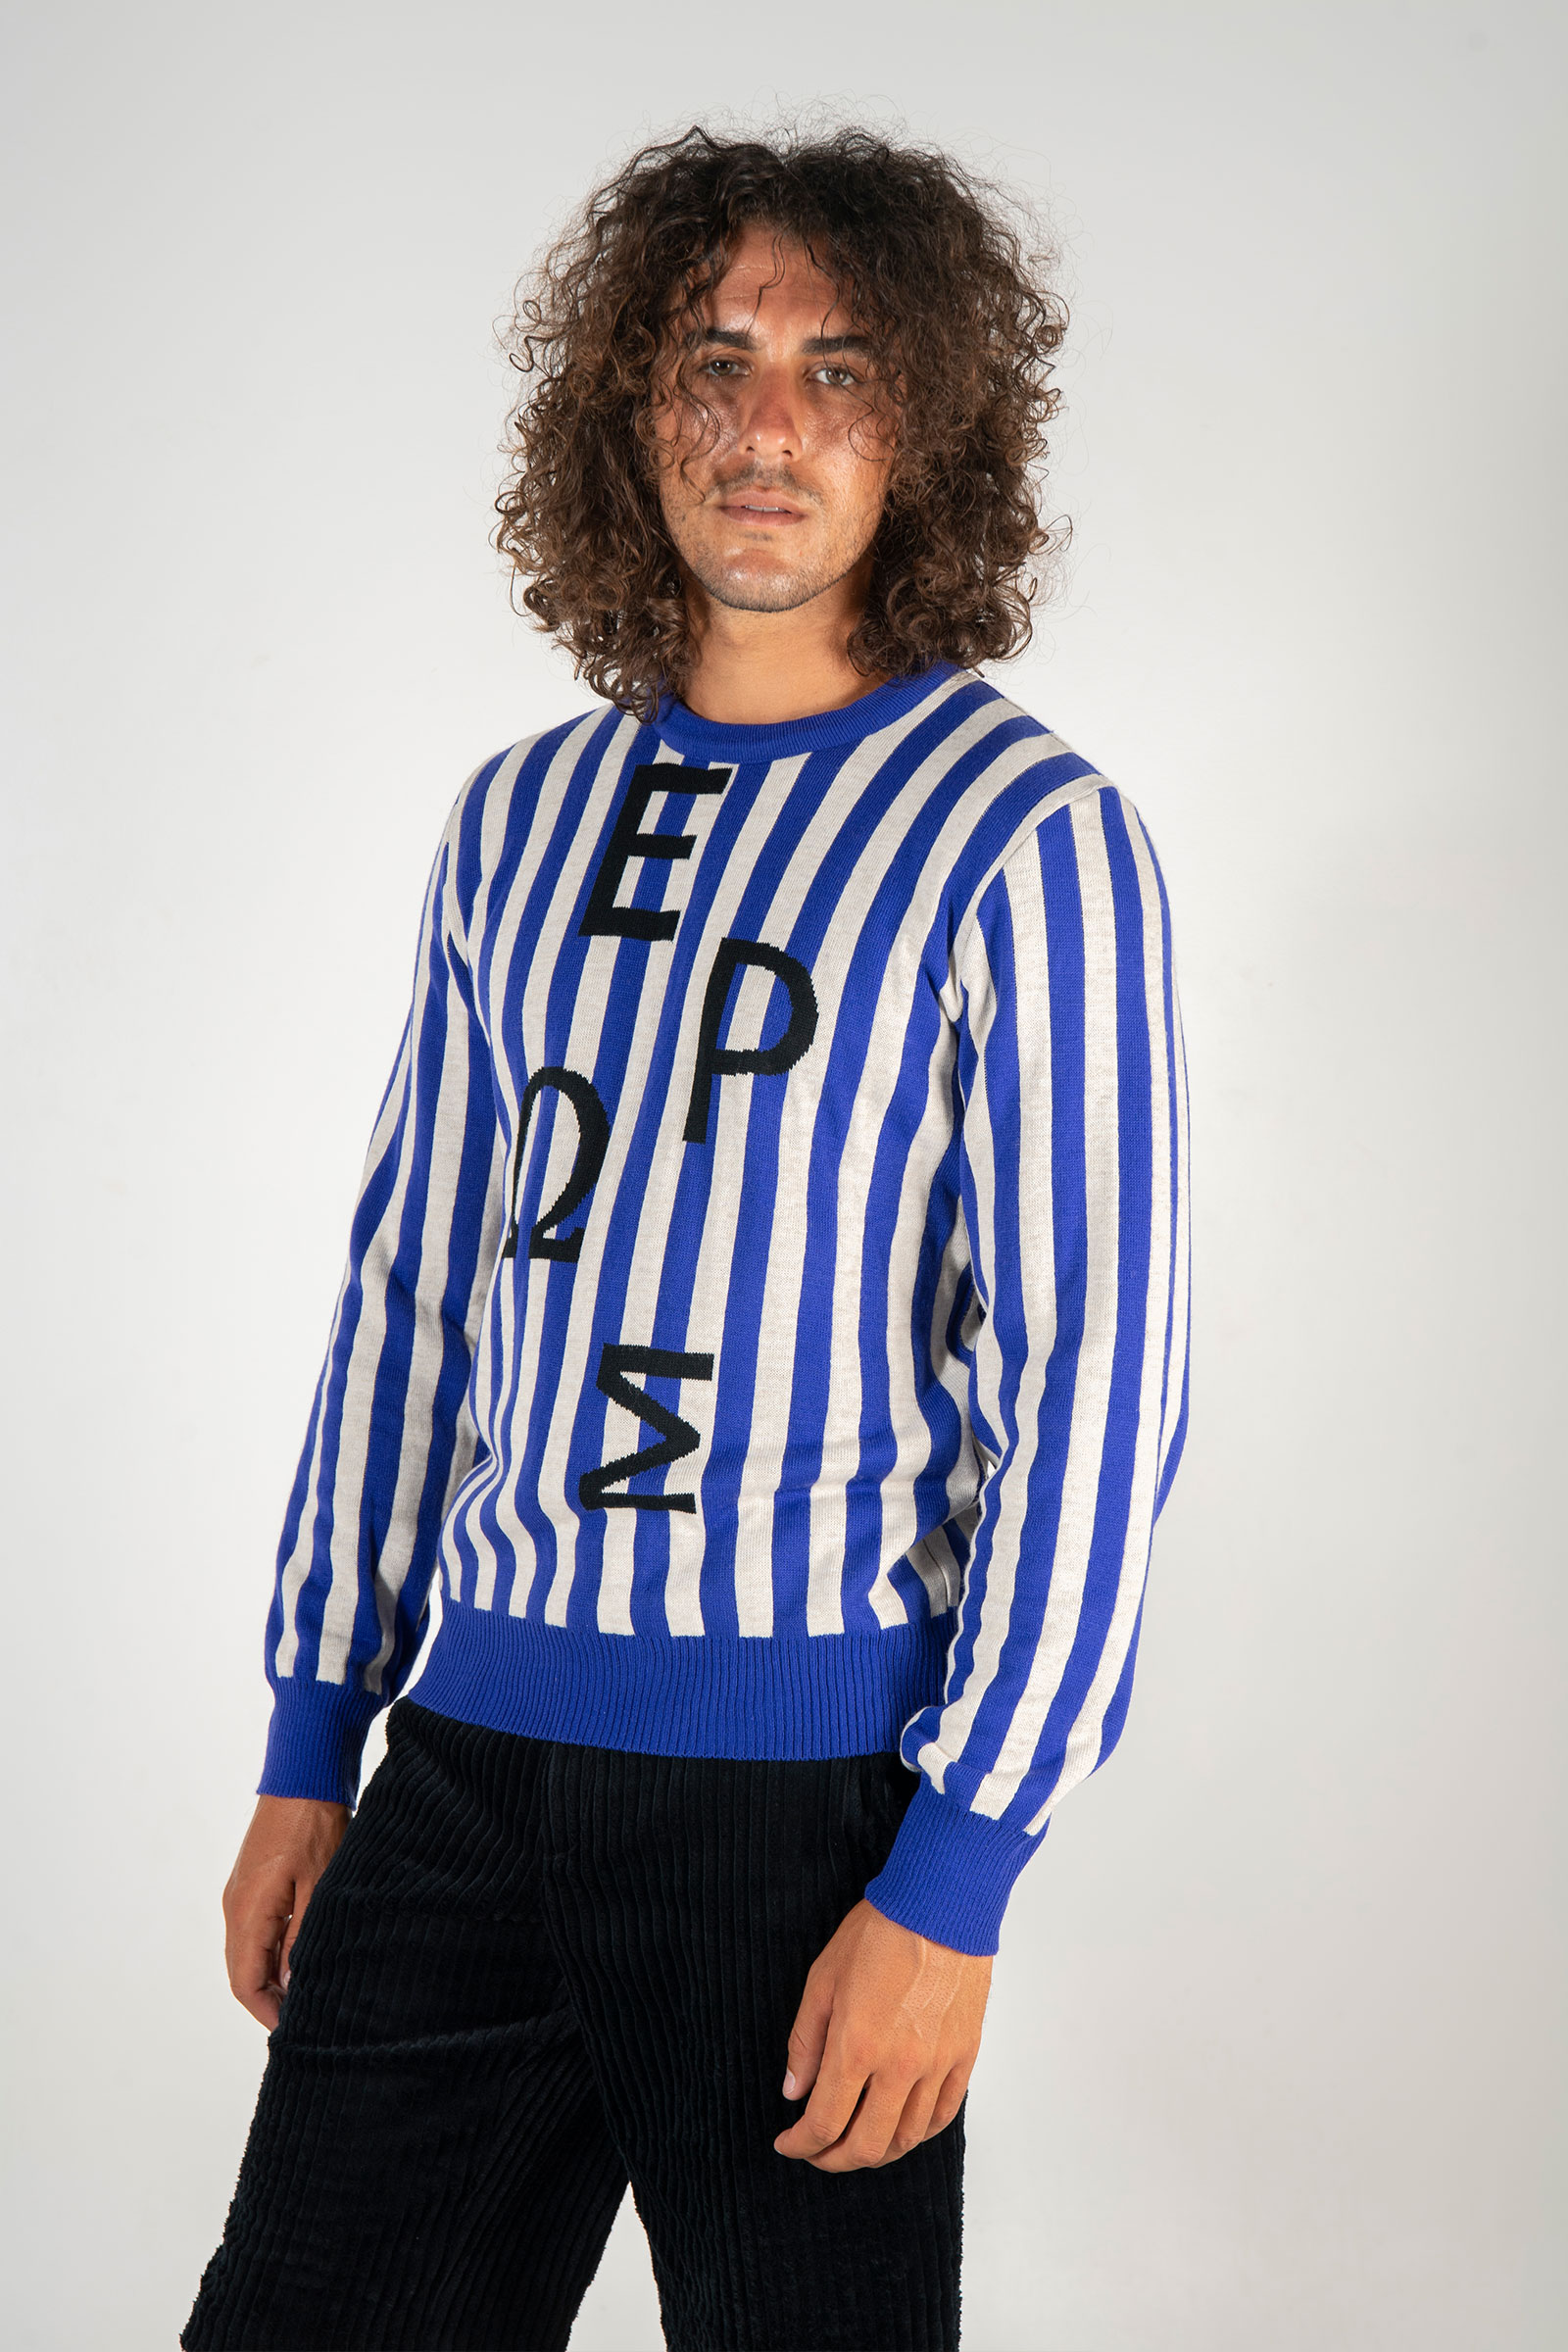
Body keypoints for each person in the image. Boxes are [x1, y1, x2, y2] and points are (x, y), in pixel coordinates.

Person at [183, 123, 1190, 2352]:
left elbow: (1094, 1385)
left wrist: (958, 1870)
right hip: (461, 1773)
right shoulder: (514, 820)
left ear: (927, 430)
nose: (765, 428)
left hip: (804, 1812)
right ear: (624, 413)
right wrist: (310, 1735)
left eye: (839, 371)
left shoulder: (1027, 838)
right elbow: (412, 1294)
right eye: (712, 363)